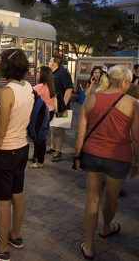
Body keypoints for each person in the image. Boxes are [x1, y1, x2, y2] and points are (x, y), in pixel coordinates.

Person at [75, 65, 139, 260]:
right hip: (119, 157)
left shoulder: (91, 99)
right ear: (124, 82)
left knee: (92, 198)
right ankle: (105, 228)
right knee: (112, 197)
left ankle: (89, 245)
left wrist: (77, 156)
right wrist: (137, 161)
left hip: (92, 155)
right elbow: (136, 138)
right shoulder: (133, 103)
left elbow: (80, 132)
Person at [0, 49, 34, 261]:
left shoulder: (7, 92)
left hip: (5, 152)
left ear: (6, 66)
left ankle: (1, 249)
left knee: (3, 202)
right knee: (17, 194)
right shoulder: (27, 87)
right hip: (21, 147)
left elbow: (0, 132)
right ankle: (15, 236)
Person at [46, 54, 73, 162]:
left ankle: (59, 151)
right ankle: (53, 148)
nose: (48, 62)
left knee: (59, 130)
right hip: (53, 106)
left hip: (61, 106)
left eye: (50, 61)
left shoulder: (63, 73)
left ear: (55, 63)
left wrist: (63, 105)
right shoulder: (53, 73)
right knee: (53, 129)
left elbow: (69, 89)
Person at [28, 66, 56, 169]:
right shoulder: (52, 86)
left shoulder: (39, 87)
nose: (37, 73)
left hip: (42, 114)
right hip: (50, 112)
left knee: (40, 137)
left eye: (39, 72)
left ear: (43, 74)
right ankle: (36, 157)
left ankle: (40, 161)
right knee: (40, 135)